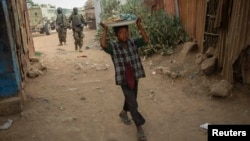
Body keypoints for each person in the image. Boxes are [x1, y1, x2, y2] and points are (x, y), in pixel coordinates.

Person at [99, 18, 149, 141]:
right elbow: (103, 45)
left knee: (131, 98)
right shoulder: (113, 47)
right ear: (116, 35)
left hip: (134, 75)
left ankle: (123, 113)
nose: (124, 35)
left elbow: (145, 40)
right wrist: (105, 30)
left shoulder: (133, 42)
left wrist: (139, 26)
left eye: (126, 32)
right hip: (124, 78)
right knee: (133, 102)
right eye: (121, 32)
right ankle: (139, 127)